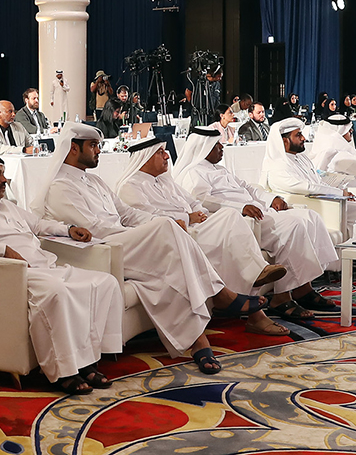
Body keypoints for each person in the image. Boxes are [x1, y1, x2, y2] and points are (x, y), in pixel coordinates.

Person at [38, 123, 246, 374]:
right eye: (93, 146)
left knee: (170, 247)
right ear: (73, 148)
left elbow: (127, 213)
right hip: (103, 248)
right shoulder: (61, 186)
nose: (99, 151)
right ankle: (220, 294)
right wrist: (147, 231)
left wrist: (157, 223)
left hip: (126, 241)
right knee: (165, 229)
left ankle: (198, 339)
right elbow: (94, 229)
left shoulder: (95, 181)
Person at [0, 153, 123, 394]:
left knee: (104, 281)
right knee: (56, 292)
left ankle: (87, 360)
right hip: (15, 275)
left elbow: (38, 224)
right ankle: (63, 372)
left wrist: (68, 229)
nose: (5, 180)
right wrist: (1, 250)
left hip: (44, 266)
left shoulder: (7, 206)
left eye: (3, 174)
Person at [115, 137, 289, 336]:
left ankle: (255, 277)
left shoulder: (164, 181)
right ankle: (255, 296)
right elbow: (145, 221)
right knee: (228, 238)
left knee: (230, 216)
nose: (167, 156)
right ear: (144, 157)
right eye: (160, 152)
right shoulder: (130, 186)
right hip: (175, 238)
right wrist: (187, 217)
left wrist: (199, 214)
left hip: (196, 228)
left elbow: (193, 201)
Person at [174, 127, 338, 318]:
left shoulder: (220, 169)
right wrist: (241, 207)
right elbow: (203, 201)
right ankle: (281, 298)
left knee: (310, 216)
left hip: (257, 211)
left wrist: (271, 198)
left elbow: (248, 188)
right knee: (294, 225)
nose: (222, 147)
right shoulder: (193, 173)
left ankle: (304, 288)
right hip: (241, 219)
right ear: (203, 148)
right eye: (216, 145)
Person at [263, 118, 356, 280]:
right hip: (313, 207)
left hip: (328, 202)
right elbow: (305, 187)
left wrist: (339, 192)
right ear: (284, 141)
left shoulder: (301, 158)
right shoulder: (277, 165)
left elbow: (317, 182)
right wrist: (338, 194)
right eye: (298, 135)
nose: (303, 138)